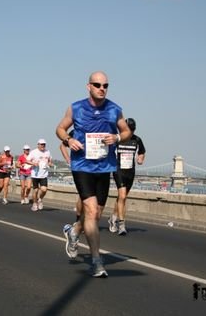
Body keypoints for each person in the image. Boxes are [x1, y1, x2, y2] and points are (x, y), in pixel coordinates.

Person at [56, 71, 131, 278]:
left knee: (96, 215)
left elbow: (126, 132)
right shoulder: (76, 107)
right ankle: (97, 261)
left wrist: (116, 137)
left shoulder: (115, 109)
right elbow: (60, 129)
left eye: (105, 85)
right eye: (97, 85)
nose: (102, 89)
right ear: (88, 86)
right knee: (90, 211)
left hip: (104, 167)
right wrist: (69, 140)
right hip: (81, 166)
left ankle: (73, 231)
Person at [109, 118, 146, 235]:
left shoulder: (137, 140)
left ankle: (113, 218)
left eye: (133, 130)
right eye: (129, 129)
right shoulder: (117, 139)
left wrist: (140, 158)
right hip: (118, 170)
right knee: (123, 196)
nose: (131, 132)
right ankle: (121, 225)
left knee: (122, 198)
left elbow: (142, 151)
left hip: (130, 172)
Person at [26, 139, 53, 211]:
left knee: (44, 190)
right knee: (35, 190)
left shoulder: (48, 152)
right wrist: (33, 163)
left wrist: (50, 164)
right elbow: (27, 160)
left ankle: (40, 199)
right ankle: (34, 204)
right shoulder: (33, 152)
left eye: (44, 144)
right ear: (38, 144)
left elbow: (50, 161)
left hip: (44, 174)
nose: (43, 146)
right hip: (35, 174)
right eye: (41, 144)